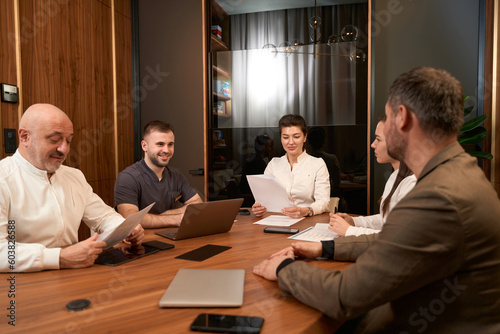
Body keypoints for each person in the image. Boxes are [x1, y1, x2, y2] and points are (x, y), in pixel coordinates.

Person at [253, 67, 500, 332]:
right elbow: (390, 241)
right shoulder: (457, 172)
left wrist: (284, 269)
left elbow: (345, 295)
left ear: (402, 117)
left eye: (387, 118)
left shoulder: (437, 196)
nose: (375, 140)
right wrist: (324, 248)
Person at [0, 103, 144, 273]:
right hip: (23, 285)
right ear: (24, 137)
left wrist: (126, 228)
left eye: (68, 140)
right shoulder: (3, 178)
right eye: (54, 140)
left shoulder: (74, 176)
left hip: (75, 273)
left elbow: (103, 217)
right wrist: (60, 257)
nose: (64, 149)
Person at [329, 116, 416, 236]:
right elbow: (386, 219)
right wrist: (354, 221)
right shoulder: (395, 176)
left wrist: (349, 230)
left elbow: (396, 236)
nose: (373, 145)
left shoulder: (412, 182)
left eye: (378, 139)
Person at [114, 120, 202, 228]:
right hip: (141, 240)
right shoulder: (128, 177)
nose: (166, 150)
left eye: (170, 144)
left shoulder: (176, 174)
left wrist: (164, 215)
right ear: (144, 146)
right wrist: (176, 218)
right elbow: (131, 219)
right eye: (160, 144)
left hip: (171, 236)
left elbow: (197, 204)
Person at [251, 114, 330, 219]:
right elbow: (263, 198)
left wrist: (306, 211)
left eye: (296, 137)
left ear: (305, 137)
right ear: (280, 138)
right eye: (285, 137)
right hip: (277, 220)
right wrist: (259, 208)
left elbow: (323, 201)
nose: (291, 142)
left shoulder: (317, 164)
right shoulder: (273, 164)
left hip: (307, 220)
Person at [239, 134, 274, 206]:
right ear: (263, 147)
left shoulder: (254, 159)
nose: (272, 149)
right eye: (270, 146)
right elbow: (264, 186)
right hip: (252, 200)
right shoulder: (257, 163)